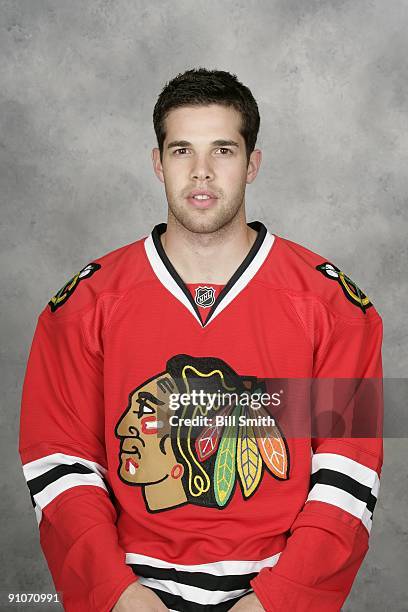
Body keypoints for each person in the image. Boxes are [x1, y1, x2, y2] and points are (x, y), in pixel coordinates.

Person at [19, 68, 383, 612]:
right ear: (157, 162)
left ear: (253, 164)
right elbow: (60, 459)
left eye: (224, 151)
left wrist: (278, 601)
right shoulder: (84, 306)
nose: (202, 173)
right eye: (183, 150)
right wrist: (118, 595)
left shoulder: (335, 309)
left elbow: (348, 474)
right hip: (130, 595)